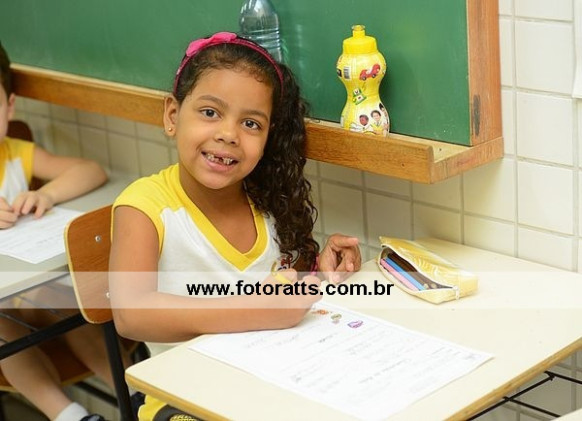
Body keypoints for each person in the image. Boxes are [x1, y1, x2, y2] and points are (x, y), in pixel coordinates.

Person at [109, 32, 362, 421]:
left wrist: (319, 272)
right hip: (183, 401)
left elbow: (278, 293)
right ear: (173, 116)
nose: (228, 134)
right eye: (210, 112)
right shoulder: (144, 207)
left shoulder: (267, 202)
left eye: (250, 123)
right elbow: (132, 313)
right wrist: (256, 310)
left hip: (271, 383)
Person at [0, 42, 141, 421]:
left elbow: (90, 171)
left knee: (65, 302)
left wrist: (46, 194)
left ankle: (138, 397)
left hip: (27, 293)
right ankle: (71, 416)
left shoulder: (15, 152)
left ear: (10, 107)